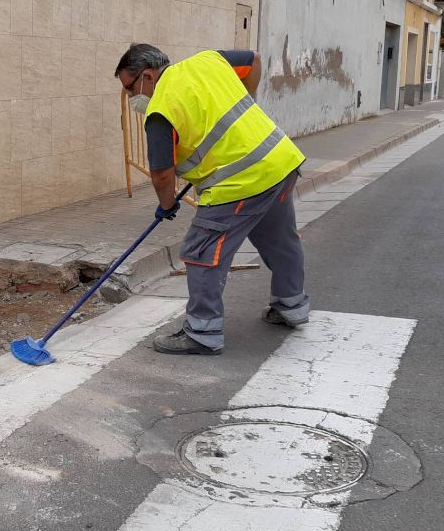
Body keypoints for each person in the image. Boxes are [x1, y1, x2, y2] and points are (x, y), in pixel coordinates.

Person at [116, 45, 309, 355]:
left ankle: (203, 332)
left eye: (129, 87)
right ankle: (292, 306)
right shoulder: (207, 60)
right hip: (280, 162)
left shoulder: (161, 108)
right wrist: (249, 101)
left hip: (240, 183)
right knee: (280, 240)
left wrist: (166, 205)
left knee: (201, 251)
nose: (129, 97)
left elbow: (162, 174)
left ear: (148, 76)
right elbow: (254, 60)